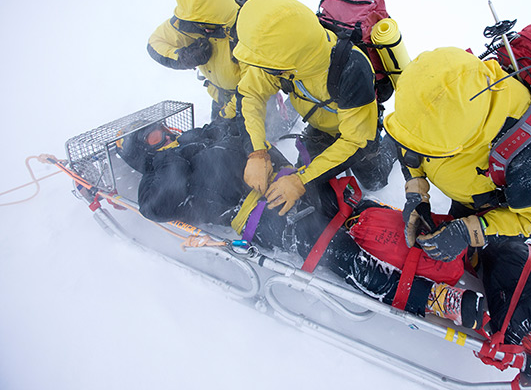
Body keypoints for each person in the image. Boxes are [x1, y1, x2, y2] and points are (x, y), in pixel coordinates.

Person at [116, 117, 484, 331]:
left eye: (162, 129)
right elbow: (158, 204)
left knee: (364, 212)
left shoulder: (192, 139)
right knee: (342, 254)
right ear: (145, 153)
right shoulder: (158, 175)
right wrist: (167, 156)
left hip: (290, 183)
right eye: (154, 137)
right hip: (268, 218)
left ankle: (454, 243)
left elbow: (239, 131)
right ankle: (436, 299)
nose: (165, 135)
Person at [383, 47, 531, 263]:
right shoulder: (436, 81)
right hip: (468, 186)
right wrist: (416, 191)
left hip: (490, 207)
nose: (422, 153)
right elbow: (411, 136)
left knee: (490, 259)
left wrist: (472, 230)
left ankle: (516, 254)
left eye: (433, 150)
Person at [221, 0, 396, 210]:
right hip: (320, 125)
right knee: (305, 183)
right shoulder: (276, 58)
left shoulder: (352, 69)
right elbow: (250, 94)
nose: (266, 71)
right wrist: (257, 152)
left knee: (375, 180)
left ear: (290, 60)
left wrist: (302, 180)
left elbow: (357, 141)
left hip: (358, 130)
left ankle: (393, 143)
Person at [147, 0, 295, 131]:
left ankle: (285, 119)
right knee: (219, 140)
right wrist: (182, 57)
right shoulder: (189, 19)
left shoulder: (246, 28)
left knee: (268, 136)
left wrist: (226, 114)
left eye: (211, 25)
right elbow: (156, 42)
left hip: (254, 99)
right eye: (201, 25)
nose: (207, 30)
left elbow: (251, 85)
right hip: (218, 96)